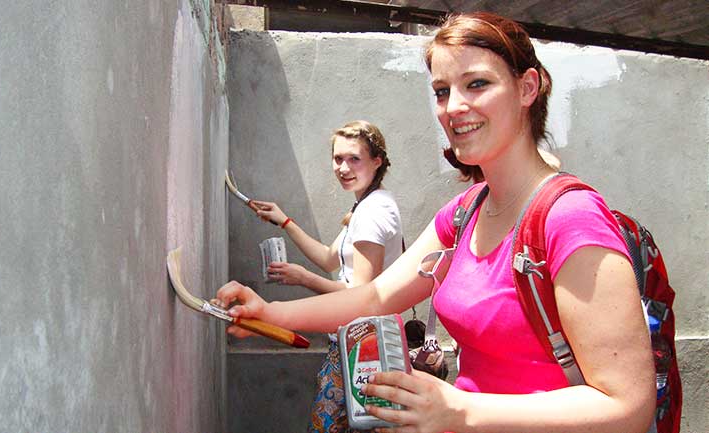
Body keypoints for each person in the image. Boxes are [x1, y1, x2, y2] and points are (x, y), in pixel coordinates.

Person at [216, 12, 655, 433]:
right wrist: (270, 311)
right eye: (442, 91)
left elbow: (626, 407)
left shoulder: (570, 218)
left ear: (527, 88)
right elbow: (376, 296)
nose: (453, 107)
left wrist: (461, 411)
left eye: (477, 84)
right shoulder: (465, 211)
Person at [250, 120, 404, 432]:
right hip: (355, 342)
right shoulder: (365, 206)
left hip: (362, 346)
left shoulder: (371, 214)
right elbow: (328, 257)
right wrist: (285, 221)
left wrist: (304, 278)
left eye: (354, 159)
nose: (344, 168)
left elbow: (359, 294)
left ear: (377, 161)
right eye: (338, 159)